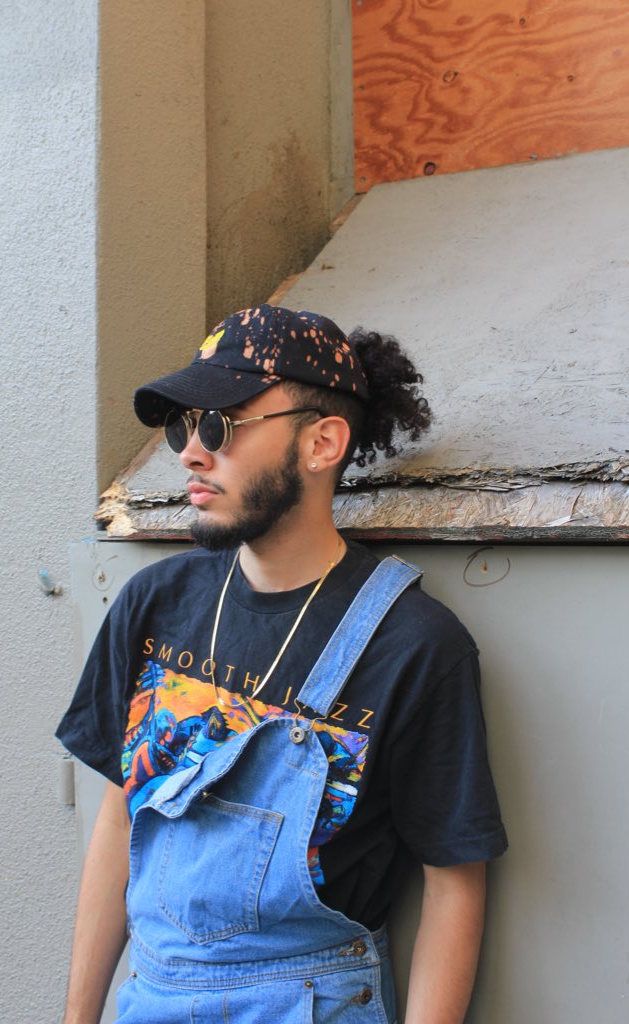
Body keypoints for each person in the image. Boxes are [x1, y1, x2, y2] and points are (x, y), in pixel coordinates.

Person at [56, 304, 507, 1024]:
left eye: (219, 426)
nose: (190, 453)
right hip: (153, 997)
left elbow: (453, 884)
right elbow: (119, 820)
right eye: (182, 426)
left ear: (321, 442)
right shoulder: (155, 602)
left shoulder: (413, 645)